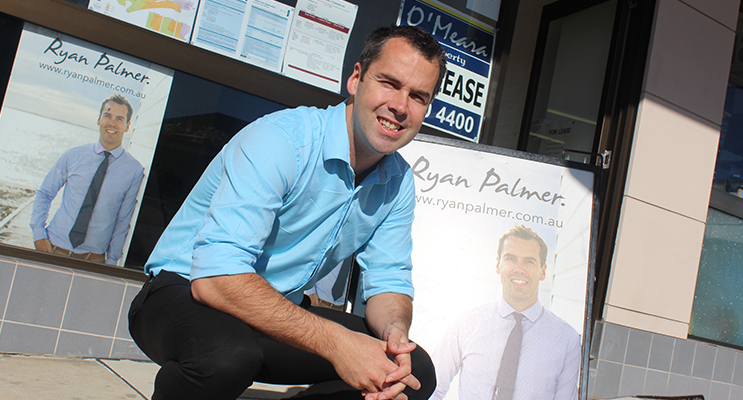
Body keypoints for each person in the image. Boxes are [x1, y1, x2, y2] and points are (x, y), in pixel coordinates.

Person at [128, 25, 447, 400]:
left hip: (275, 313)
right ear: (356, 78)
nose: (400, 106)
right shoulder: (282, 139)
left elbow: (388, 278)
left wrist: (394, 331)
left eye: (418, 96)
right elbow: (215, 277)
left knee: (412, 373)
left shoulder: (398, 181)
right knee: (227, 357)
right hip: (184, 292)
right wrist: (337, 344)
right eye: (389, 83)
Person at [431, 224, 581, 400]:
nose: (519, 269)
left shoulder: (568, 341)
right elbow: (432, 389)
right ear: (498, 265)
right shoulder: (466, 324)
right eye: (510, 258)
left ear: (543, 271)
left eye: (529, 261)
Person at [29, 94, 144, 265]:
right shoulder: (72, 155)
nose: (112, 123)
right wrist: (38, 233)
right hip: (54, 250)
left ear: (127, 126)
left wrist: (112, 262)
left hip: (94, 260)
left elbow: (123, 220)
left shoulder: (134, 170)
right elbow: (45, 193)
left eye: (119, 119)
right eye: (108, 116)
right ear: (99, 119)